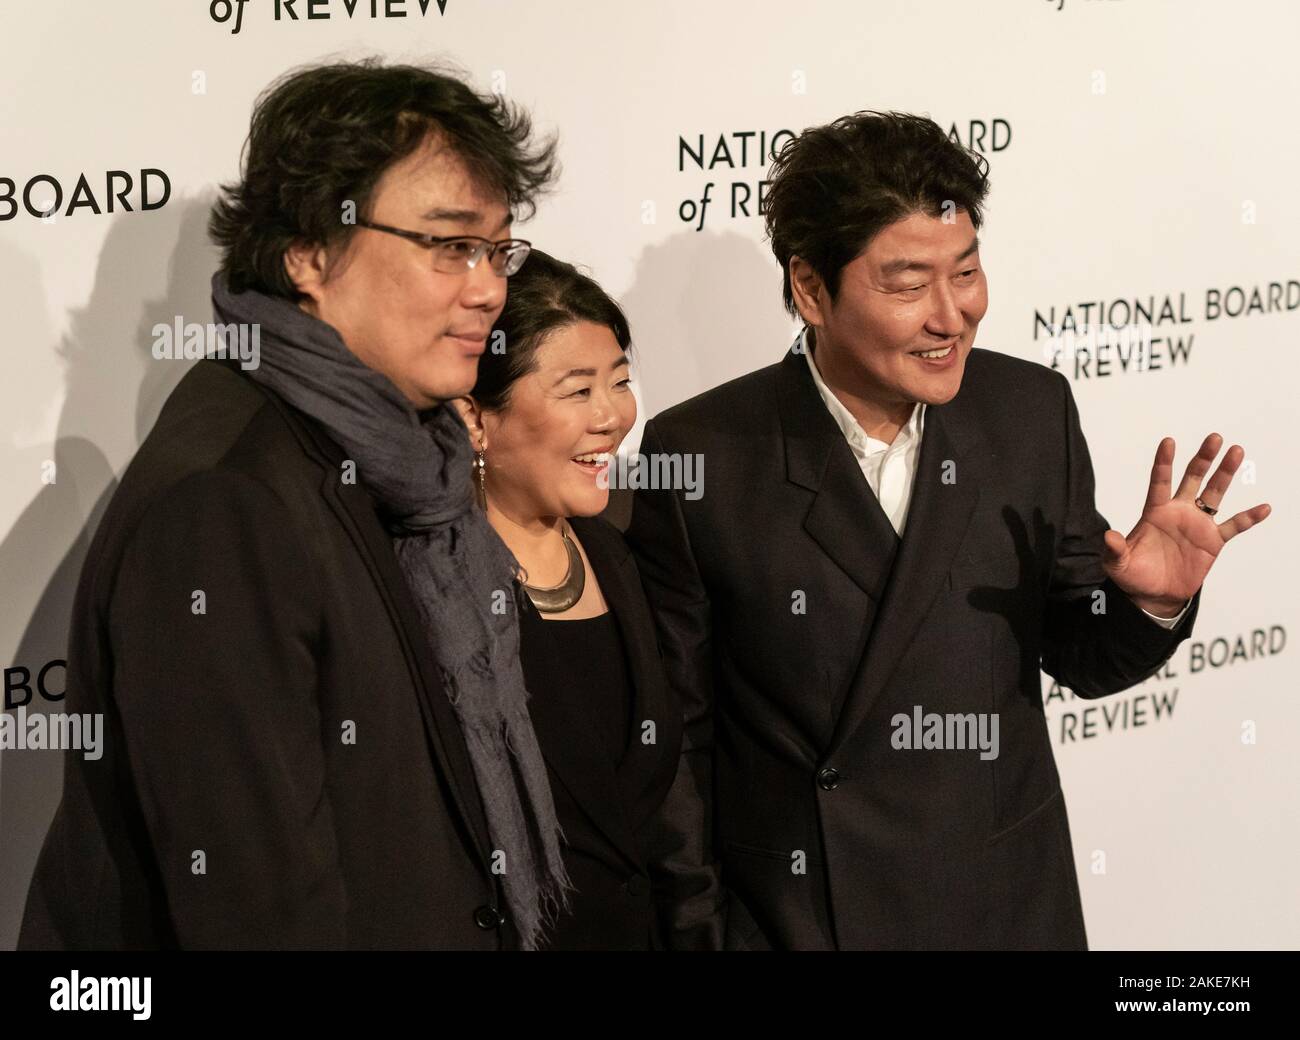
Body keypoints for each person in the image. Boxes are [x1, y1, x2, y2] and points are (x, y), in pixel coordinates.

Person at [625, 110, 1271, 950]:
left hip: (1002, 904)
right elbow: (677, 736)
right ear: (812, 289)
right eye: (905, 285)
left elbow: (1080, 653)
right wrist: (700, 932)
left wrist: (1146, 606)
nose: (951, 315)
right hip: (804, 917)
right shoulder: (704, 451)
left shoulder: (1026, 412)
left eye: (965, 272)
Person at [20, 58, 567, 949]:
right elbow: (257, 907)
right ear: (309, 255)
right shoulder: (226, 501)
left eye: (498, 249)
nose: (488, 288)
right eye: (449, 245)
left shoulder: (404, 455)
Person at [452, 250, 724, 949]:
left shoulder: (616, 547)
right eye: (578, 391)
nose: (613, 417)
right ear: (476, 418)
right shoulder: (435, 590)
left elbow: (665, 805)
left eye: (621, 381)